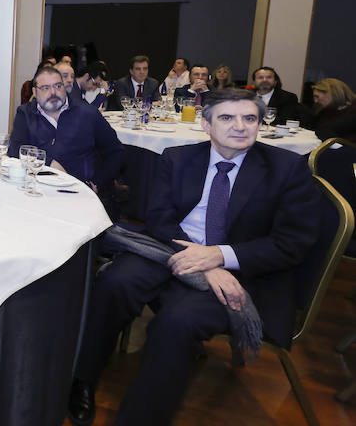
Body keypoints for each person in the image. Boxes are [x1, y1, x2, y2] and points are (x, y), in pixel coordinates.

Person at [68, 87, 320, 426]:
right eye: (227, 118)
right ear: (206, 125)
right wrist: (203, 261)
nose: (240, 126)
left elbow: (293, 243)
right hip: (173, 248)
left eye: (250, 118)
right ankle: (81, 381)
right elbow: (159, 219)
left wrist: (219, 257)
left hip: (243, 269)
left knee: (176, 322)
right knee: (115, 282)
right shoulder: (178, 158)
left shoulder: (287, 168)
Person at [8, 66, 123, 193]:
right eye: (45, 88)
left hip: (81, 191)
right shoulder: (25, 113)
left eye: (58, 86)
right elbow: (15, 150)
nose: (53, 92)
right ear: (34, 92)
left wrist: (97, 182)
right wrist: (50, 162)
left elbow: (116, 152)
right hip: (37, 189)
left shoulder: (88, 113)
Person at [311, 78, 356, 143]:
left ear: (332, 93)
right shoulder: (327, 110)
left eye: (317, 96)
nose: (316, 101)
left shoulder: (353, 111)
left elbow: (325, 130)